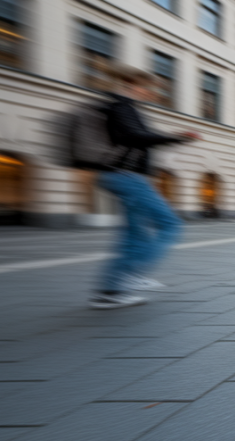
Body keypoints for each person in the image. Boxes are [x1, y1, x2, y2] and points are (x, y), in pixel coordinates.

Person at [90, 66, 197, 309]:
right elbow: (133, 136)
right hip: (127, 176)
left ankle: (111, 290)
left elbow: (138, 136)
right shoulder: (122, 106)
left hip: (123, 176)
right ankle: (129, 276)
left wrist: (173, 137)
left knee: (134, 235)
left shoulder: (121, 106)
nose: (153, 92)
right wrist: (176, 138)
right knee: (170, 223)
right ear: (133, 85)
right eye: (149, 87)